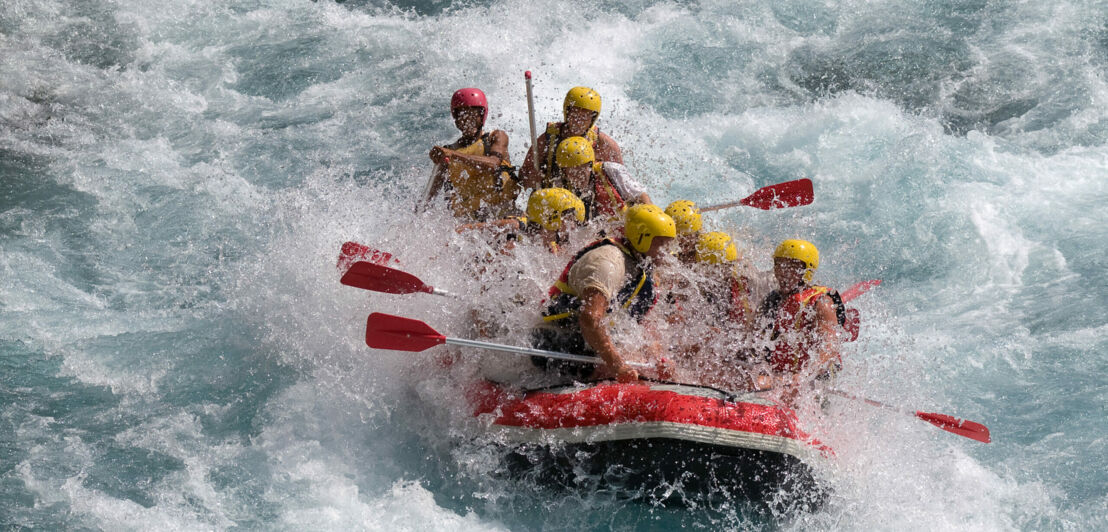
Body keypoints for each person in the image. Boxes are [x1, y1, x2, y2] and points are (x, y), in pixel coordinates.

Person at [531, 204, 677, 382]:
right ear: (642, 238)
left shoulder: (642, 266)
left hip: (584, 339)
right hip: (553, 340)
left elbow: (641, 326)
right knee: (629, 366)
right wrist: (617, 366)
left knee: (642, 363)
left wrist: (658, 360)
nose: (666, 252)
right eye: (661, 243)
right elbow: (590, 318)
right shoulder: (608, 264)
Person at [420, 88, 520, 221]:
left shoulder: (496, 137)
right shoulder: (448, 152)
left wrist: (454, 155)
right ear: (456, 119)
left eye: (473, 115)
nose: (467, 120)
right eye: (462, 115)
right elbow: (429, 198)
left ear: (482, 116)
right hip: (467, 223)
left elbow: (494, 163)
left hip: (502, 215)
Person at [757, 239, 848, 383]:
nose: (783, 272)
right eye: (779, 265)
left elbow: (829, 346)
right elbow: (754, 341)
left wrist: (805, 375)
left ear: (806, 271)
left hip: (812, 380)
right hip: (778, 377)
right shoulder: (772, 301)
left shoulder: (821, 302)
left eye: (791, 267)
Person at [519, 86, 623, 189]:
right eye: (575, 115)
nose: (578, 122)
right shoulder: (548, 139)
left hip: (589, 199)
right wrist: (531, 177)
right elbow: (522, 175)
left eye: (584, 117)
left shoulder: (604, 144)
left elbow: (621, 179)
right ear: (567, 113)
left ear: (592, 119)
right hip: (553, 198)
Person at [455, 187, 586, 254]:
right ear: (549, 217)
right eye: (569, 220)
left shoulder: (563, 241)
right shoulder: (513, 228)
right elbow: (460, 231)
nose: (573, 226)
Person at [549, 136, 651, 220]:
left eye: (582, 168)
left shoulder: (612, 171)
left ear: (590, 164)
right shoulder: (559, 187)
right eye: (572, 170)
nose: (579, 175)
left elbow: (643, 198)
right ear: (564, 171)